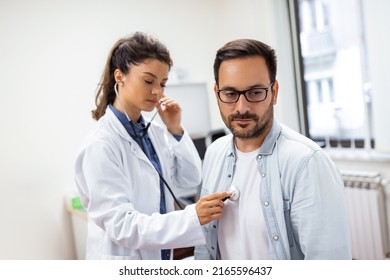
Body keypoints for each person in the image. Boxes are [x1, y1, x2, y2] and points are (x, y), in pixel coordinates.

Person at [74, 32, 228, 260]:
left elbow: (190, 179)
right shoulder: (101, 144)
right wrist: (191, 217)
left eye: (163, 84)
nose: (157, 91)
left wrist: (175, 129)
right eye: (148, 81)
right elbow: (121, 225)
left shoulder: (153, 132)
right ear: (120, 76)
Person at [194, 38, 352, 260]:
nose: (242, 108)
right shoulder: (214, 153)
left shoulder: (306, 162)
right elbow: (206, 243)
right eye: (230, 94)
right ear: (217, 93)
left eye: (255, 92)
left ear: (274, 91)